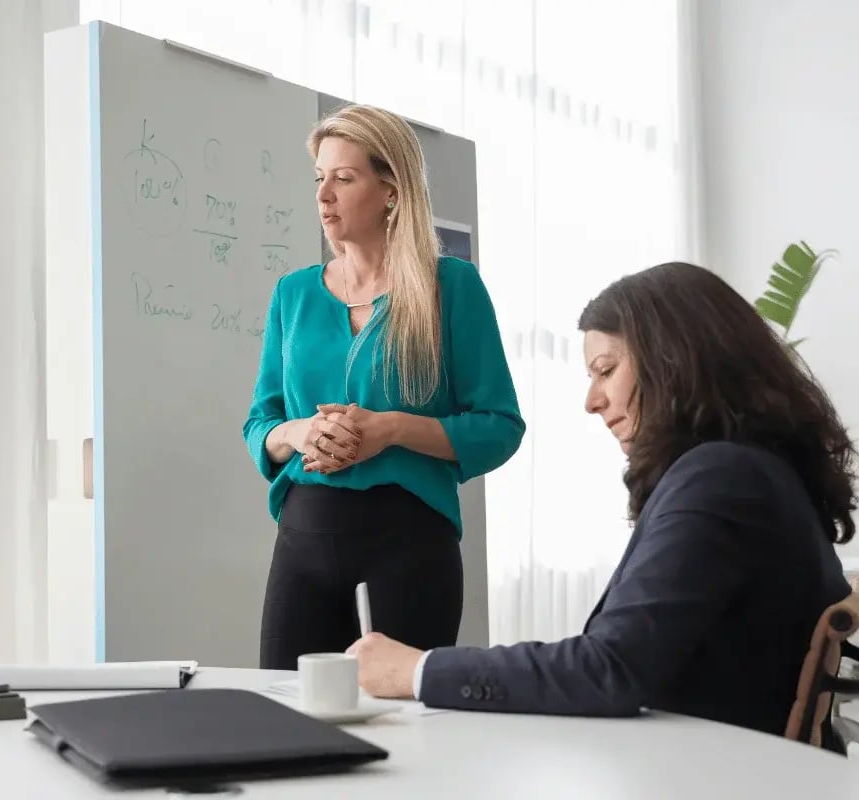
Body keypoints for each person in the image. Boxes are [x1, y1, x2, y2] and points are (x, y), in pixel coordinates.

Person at [348, 262, 854, 746]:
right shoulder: (754, 469)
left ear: (672, 360)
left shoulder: (723, 477)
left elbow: (610, 669)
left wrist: (414, 670)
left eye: (605, 370)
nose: (592, 400)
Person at [242, 103, 525, 670]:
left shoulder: (452, 286)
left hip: (410, 541)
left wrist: (390, 430)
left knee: (406, 729)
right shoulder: (292, 294)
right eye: (319, 178)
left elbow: (499, 426)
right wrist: (301, 433)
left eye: (343, 179)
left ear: (391, 190)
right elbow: (260, 424)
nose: (324, 195)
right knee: (281, 716)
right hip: (304, 532)